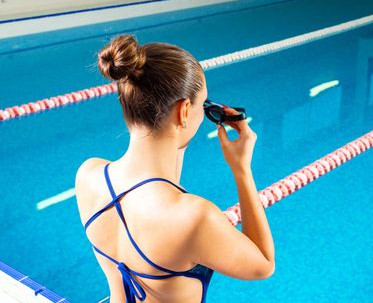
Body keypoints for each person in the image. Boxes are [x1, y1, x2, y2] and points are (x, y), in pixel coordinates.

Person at [75, 34, 275, 303]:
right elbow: (263, 265)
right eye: (202, 106)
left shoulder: (89, 175)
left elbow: (159, 187)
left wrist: (180, 131)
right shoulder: (194, 217)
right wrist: (241, 169)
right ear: (183, 111)